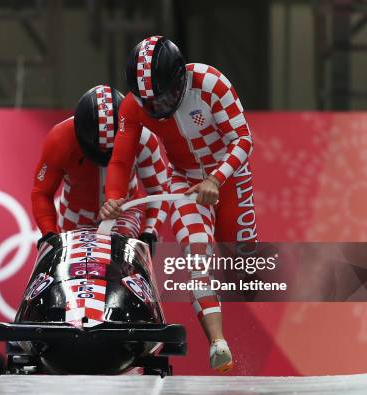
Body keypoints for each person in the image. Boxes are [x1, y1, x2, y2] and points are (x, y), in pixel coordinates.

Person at [100, 36, 258, 373]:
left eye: (166, 98)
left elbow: (243, 139)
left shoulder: (211, 84)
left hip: (228, 178)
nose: (158, 108)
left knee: (239, 259)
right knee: (196, 253)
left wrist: (216, 178)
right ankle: (218, 343)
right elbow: (120, 160)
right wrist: (114, 198)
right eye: (150, 103)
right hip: (184, 182)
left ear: (180, 81)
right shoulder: (132, 107)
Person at [31, 84, 169, 249]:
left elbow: (159, 189)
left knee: (119, 258)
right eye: (98, 151)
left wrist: (148, 231)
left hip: (126, 211)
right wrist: (49, 233)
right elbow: (42, 192)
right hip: (75, 216)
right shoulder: (60, 139)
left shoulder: (142, 137)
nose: (105, 158)